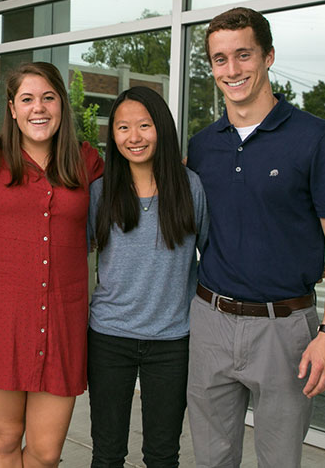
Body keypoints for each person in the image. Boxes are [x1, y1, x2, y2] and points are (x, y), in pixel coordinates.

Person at [186, 7, 325, 467]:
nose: (232, 69)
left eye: (244, 55)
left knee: (279, 460)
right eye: (220, 59)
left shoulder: (317, 138)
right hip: (210, 320)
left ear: (268, 57)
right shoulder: (202, 145)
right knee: (211, 458)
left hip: (285, 328)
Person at [0, 61, 104, 468]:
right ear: (13, 109)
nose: (39, 108)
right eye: (27, 99)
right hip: (0, 319)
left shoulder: (87, 162)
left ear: (63, 105)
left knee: (46, 451)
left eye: (49, 97)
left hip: (62, 319)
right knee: (4, 439)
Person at [87, 86, 208, 468]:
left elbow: (215, 256)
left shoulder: (190, 188)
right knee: (107, 455)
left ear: (162, 129)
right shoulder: (101, 192)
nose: (134, 137)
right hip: (109, 337)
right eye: (123, 127)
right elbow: (71, 255)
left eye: (144, 125)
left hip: (172, 340)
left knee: (161, 455)